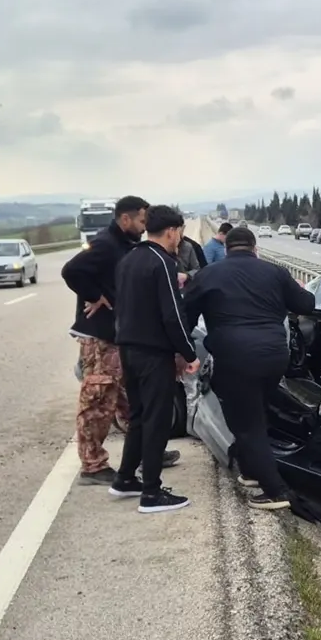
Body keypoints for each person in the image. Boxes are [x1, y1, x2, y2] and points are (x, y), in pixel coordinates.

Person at [183, 227, 317, 510]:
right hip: (274, 357)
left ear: (227, 247)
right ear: (255, 248)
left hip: (234, 358)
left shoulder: (209, 275)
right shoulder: (276, 273)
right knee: (254, 414)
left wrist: (182, 353)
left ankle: (277, 490)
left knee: (246, 425)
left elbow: (185, 318)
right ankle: (251, 470)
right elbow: (307, 304)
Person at [109, 205, 200, 513]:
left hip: (128, 349)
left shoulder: (129, 258)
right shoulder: (163, 262)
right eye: (180, 233)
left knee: (138, 417)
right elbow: (173, 315)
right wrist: (189, 353)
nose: (180, 240)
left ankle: (125, 479)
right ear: (172, 231)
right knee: (157, 419)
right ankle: (151, 492)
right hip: (153, 352)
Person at [62, 195, 155, 485]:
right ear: (125, 219)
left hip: (118, 334)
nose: (144, 227)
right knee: (98, 400)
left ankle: (144, 449)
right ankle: (92, 465)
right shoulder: (105, 244)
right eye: (141, 221)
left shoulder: (125, 244)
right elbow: (71, 270)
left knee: (128, 396)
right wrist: (94, 296)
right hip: (100, 337)